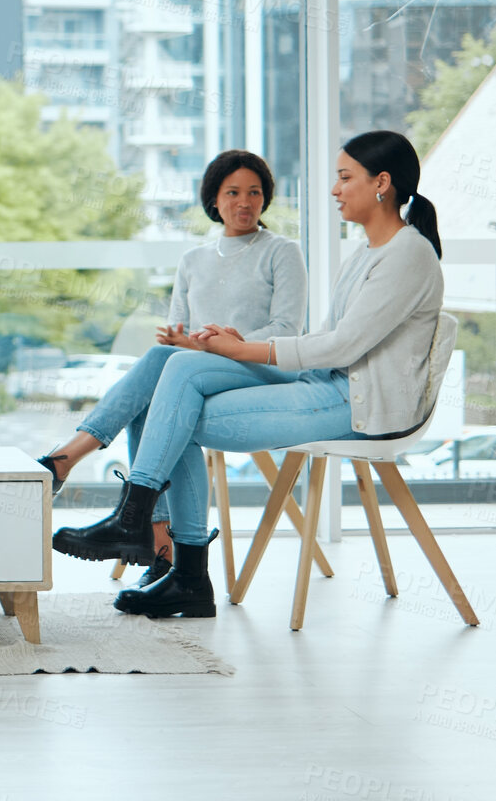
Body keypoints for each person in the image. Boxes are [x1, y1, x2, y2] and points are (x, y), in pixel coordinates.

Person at [53, 131, 445, 619]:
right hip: (329, 387)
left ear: (381, 183)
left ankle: (157, 541)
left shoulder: (407, 254)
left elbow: (342, 345)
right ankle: (171, 559)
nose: (334, 190)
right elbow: (333, 339)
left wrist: (240, 349)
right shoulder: (367, 251)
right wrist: (233, 346)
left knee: (166, 411)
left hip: (358, 403)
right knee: (167, 406)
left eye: (345, 178)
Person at [39, 150, 305, 585]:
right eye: (233, 192)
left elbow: (286, 330)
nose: (245, 202)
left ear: (266, 198)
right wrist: (188, 343)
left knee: (165, 367)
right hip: (201, 371)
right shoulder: (192, 261)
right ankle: (161, 548)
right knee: (159, 385)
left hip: (264, 368)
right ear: (213, 200)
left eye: (255, 193)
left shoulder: (281, 252)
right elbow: (182, 334)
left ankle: (66, 461)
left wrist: (217, 345)